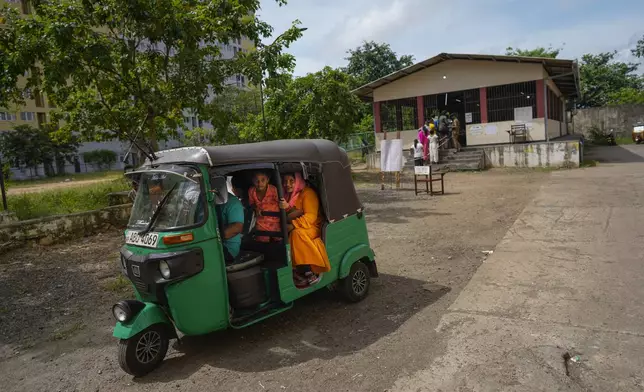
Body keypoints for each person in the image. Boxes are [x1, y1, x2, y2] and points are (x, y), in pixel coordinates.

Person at [279, 172, 331, 288]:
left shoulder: (308, 193)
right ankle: (294, 270)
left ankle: (308, 271)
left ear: (298, 181)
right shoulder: (288, 195)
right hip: (300, 225)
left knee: (296, 234)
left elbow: (310, 217)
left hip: (312, 226)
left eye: (291, 181)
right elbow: (291, 212)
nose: (287, 184)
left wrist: (293, 225)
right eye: (285, 181)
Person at [214, 183, 244, 263]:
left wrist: (211, 240)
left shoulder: (232, 202)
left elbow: (237, 227)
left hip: (227, 248)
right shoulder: (205, 198)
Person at [248, 171, 281, 242]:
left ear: (267, 180)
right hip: (260, 222)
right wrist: (256, 208)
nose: (259, 184)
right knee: (262, 245)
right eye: (257, 181)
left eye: (263, 180)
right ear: (252, 181)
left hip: (275, 222)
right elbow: (251, 203)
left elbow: (280, 203)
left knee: (279, 243)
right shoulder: (251, 191)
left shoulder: (273, 189)